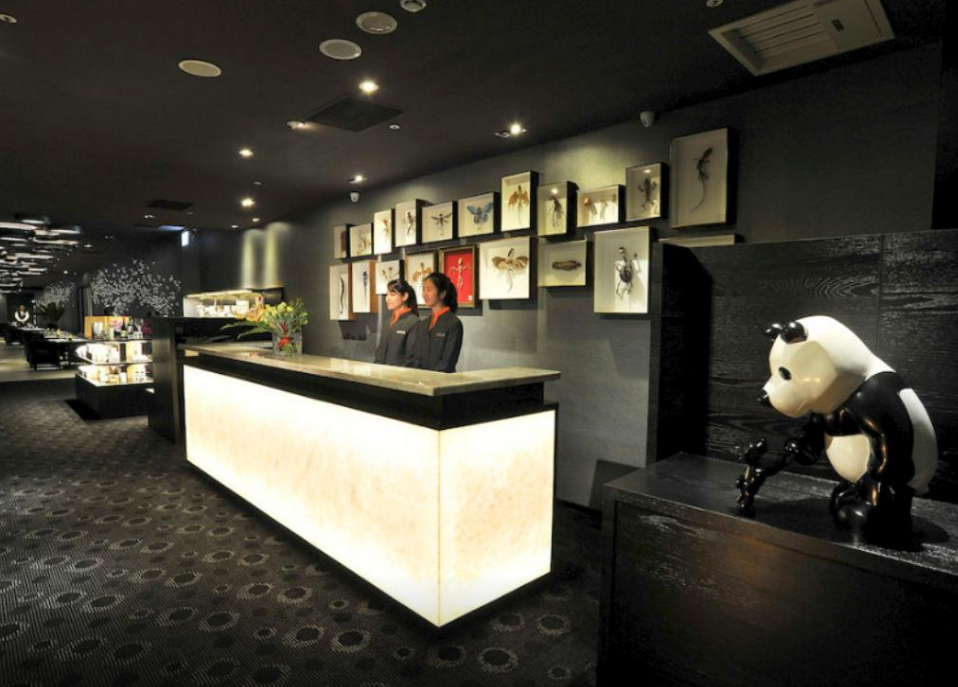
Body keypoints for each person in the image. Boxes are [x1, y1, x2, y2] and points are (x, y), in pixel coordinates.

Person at [415, 272, 463, 373]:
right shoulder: (423, 323)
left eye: (429, 290)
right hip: (421, 378)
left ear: (442, 294)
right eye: (423, 289)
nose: (424, 294)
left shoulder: (453, 323)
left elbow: (448, 362)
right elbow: (417, 356)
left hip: (442, 379)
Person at [374, 279, 421, 367]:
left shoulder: (414, 322)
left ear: (405, 296)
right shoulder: (387, 323)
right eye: (387, 294)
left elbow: (411, 359)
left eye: (392, 294)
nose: (387, 299)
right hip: (382, 373)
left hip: (400, 374)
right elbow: (379, 353)